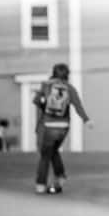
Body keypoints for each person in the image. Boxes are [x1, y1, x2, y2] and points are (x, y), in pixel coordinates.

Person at [32, 63, 92, 194]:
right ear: (67, 75)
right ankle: (60, 176)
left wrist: (42, 101)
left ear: (53, 73)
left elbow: (36, 101)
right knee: (53, 151)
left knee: (45, 155)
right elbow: (78, 105)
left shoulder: (46, 85)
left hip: (48, 126)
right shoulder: (69, 88)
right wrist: (86, 120)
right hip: (63, 127)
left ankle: (41, 185)